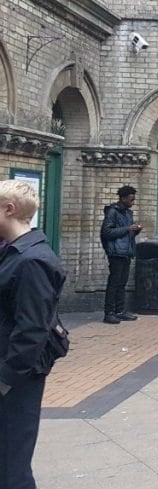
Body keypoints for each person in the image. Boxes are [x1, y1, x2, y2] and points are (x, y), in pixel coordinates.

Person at [0, 179, 66, 489]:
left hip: (16, 376)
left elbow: (32, 329)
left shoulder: (32, 260)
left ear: (8, 209)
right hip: (11, 368)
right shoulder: (14, 252)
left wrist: (5, 378)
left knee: (12, 463)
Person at [99, 185, 142, 325]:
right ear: (123, 198)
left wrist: (136, 230)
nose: (132, 202)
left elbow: (127, 233)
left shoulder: (128, 213)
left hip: (126, 251)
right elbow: (106, 232)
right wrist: (128, 228)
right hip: (116, 252)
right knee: (114, 283)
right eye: (130, 199)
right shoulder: (112, 212)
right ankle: (109, 313)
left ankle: (120, 310)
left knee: (122, 283)